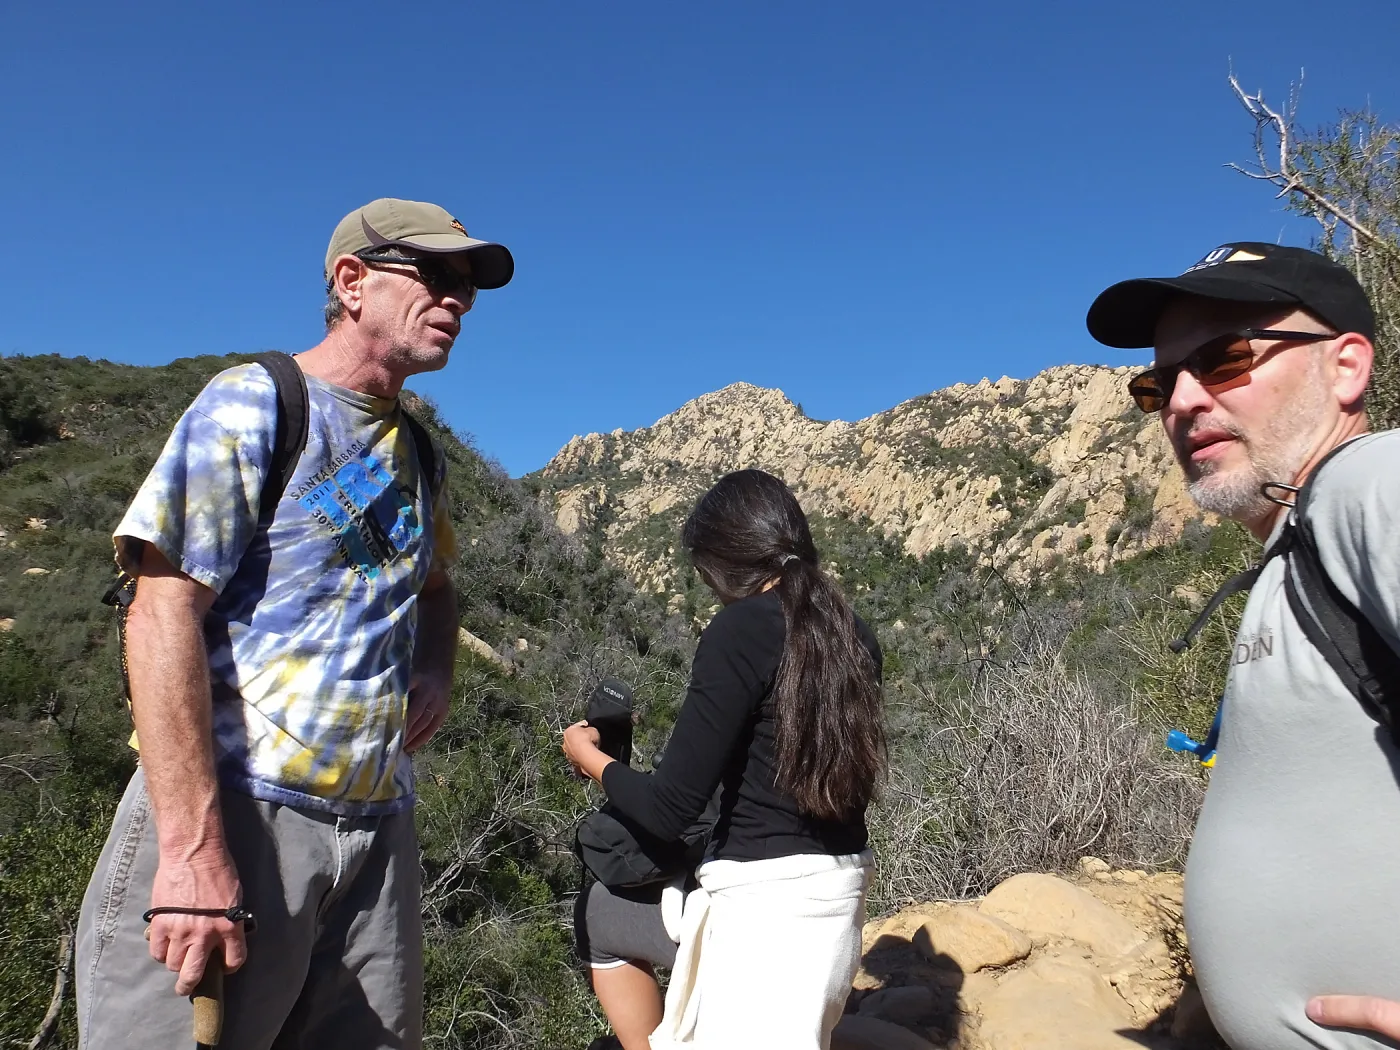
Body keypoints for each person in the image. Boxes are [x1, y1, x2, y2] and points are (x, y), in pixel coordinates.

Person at [75, 198, 513, 1049]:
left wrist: (436, 672)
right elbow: (162, 609)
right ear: (351, 281)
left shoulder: (419, 455)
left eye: (467, 284)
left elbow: (437, 589)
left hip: (377, 831)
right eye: (435, 274)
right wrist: (193, 850)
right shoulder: (256, 403)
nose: (457, 299)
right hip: (239, 814)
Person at [1087, 242, 1399, 1050]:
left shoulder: (1368, 485)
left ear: (1346, 368)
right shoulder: (1298, 546)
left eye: (1227, 358)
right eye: (1159, 384)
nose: (1182, 402)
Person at [562, 469, 887, 1050]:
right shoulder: (852, 633)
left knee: (598, 915)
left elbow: (669, 810)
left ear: (722, 564)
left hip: (763, 910)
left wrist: (592, 759)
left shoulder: (739, 629)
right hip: (838, 902)